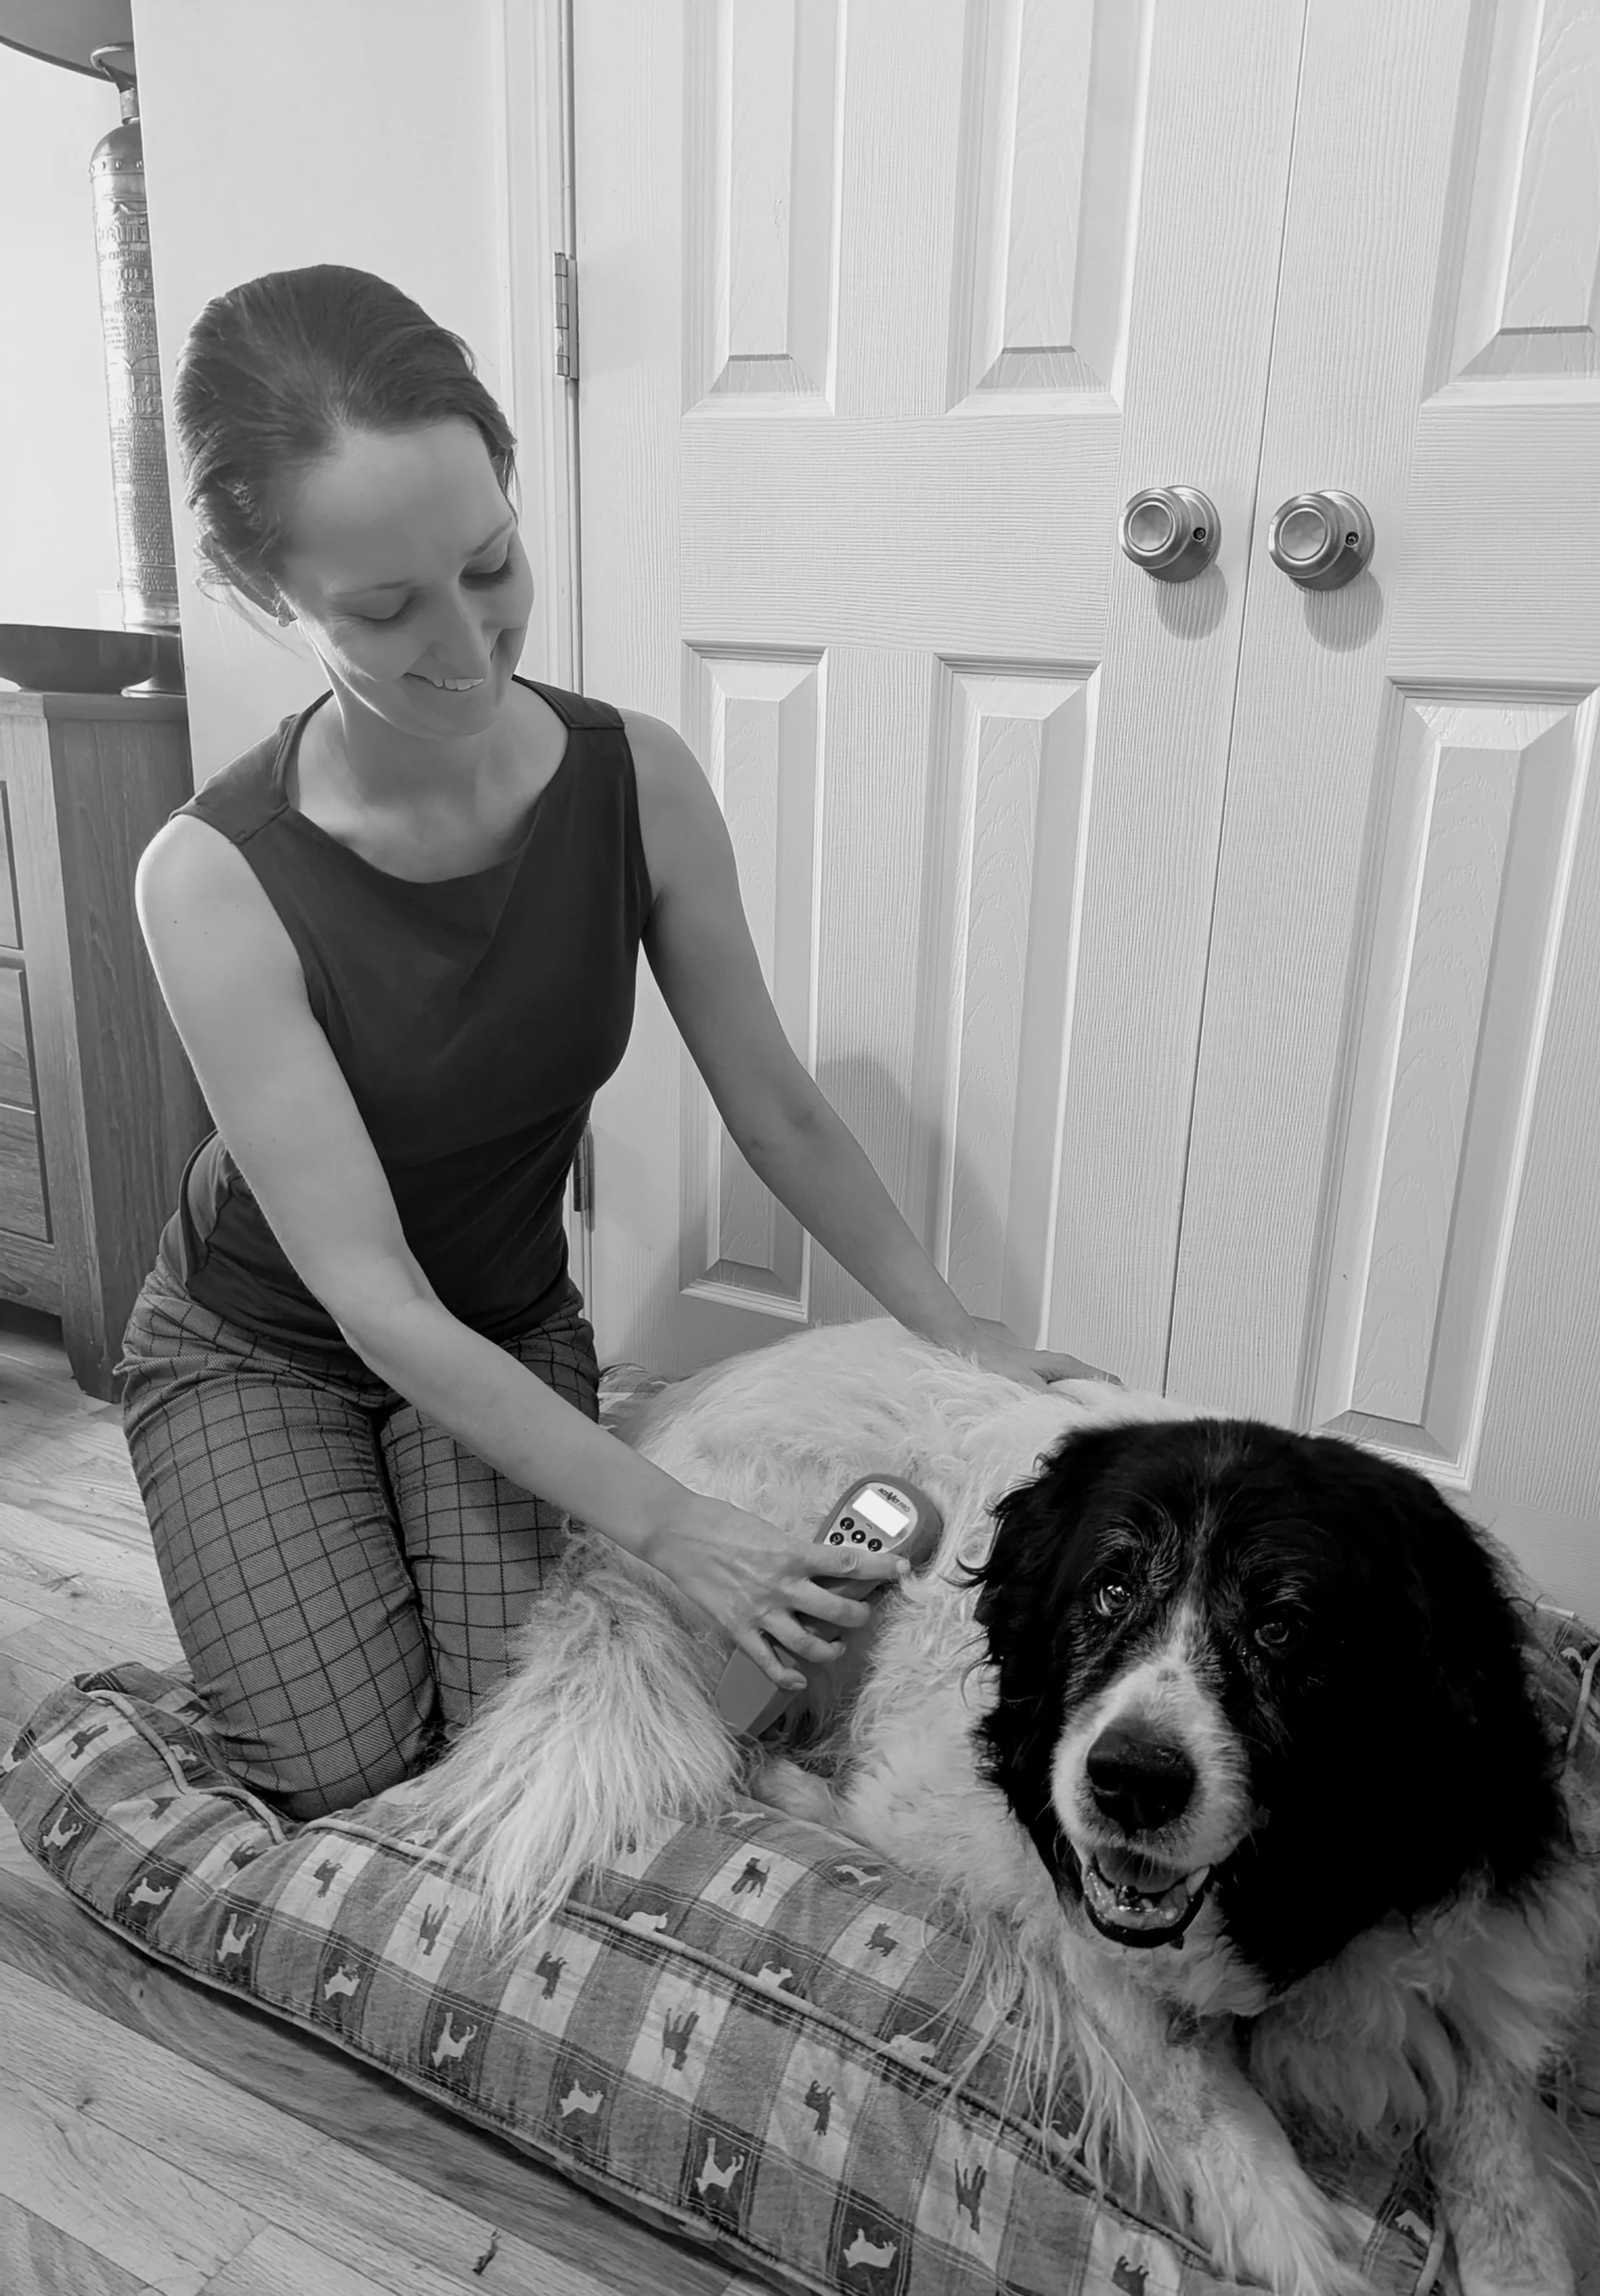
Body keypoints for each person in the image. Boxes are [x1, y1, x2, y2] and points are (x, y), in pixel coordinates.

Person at [122, 264, 1110, 1822]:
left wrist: (957, 1331)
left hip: (504, 1324)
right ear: (267, 599)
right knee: (343, 1765)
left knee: (541, 1742)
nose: (465, 643)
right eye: (383, 610)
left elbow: (775, 1106)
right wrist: (666, 1518)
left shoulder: (631, 776)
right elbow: (373, 1302)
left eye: (490, 565)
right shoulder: (211, 875)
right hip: (274, 1349)